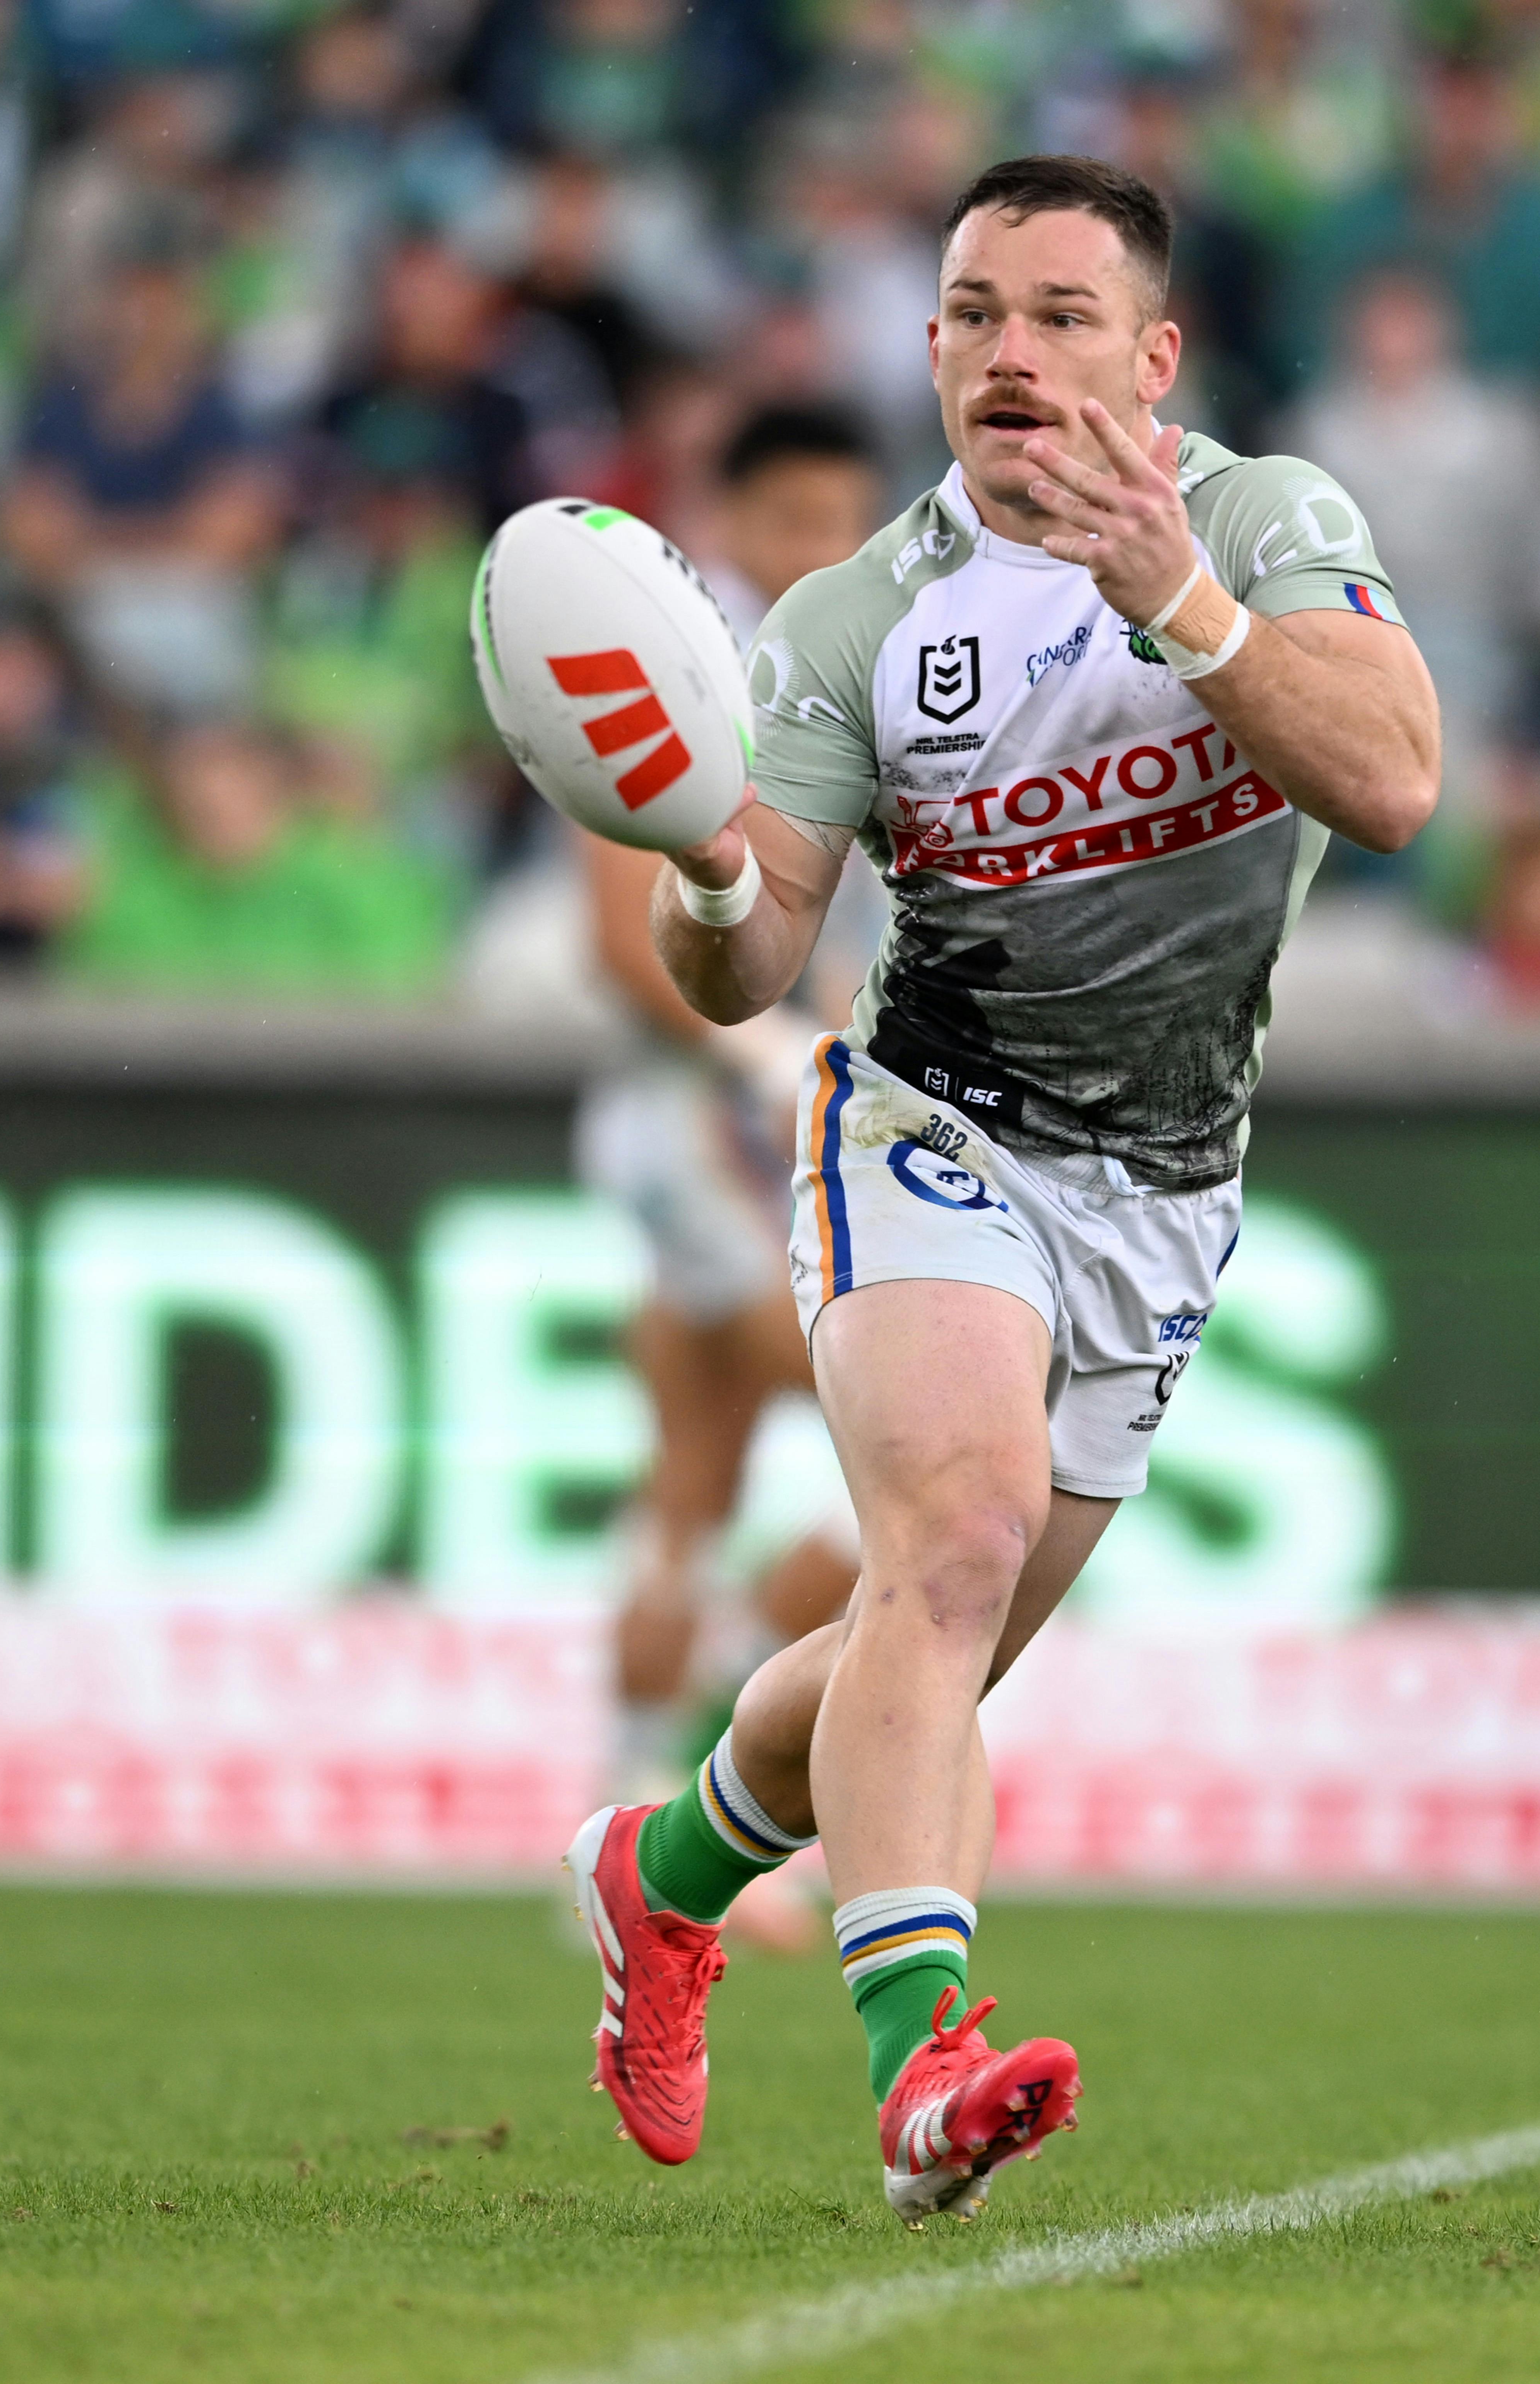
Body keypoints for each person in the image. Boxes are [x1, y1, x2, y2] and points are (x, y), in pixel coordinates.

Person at [564, 155, 1438, 2220]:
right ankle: (922, 2072)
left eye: (1058, 316)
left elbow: (1395, 782)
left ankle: (659, 1872)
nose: (1009, 354)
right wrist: (703, 863)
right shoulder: (855, 618)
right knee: (944, 1555)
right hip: (927, 1127)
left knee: (920, 1645)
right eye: (971, 314)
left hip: (1165, 1183)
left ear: (1153, 358)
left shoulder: (1268, 522)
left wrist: (1180, 606)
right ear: (931, 348)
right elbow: (746, 964)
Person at [573, 403, 885, 1953]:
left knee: (690, 1482)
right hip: (699, 1121)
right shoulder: (676, 671)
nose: (827, 550)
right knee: (878, 1440)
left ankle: (631, 1813)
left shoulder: (869, 667)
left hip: (796, 1119)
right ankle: (727, 1813)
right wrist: (775, 1062)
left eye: (849, 518)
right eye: (798, 520)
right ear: (740, 525)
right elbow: (611, 929)